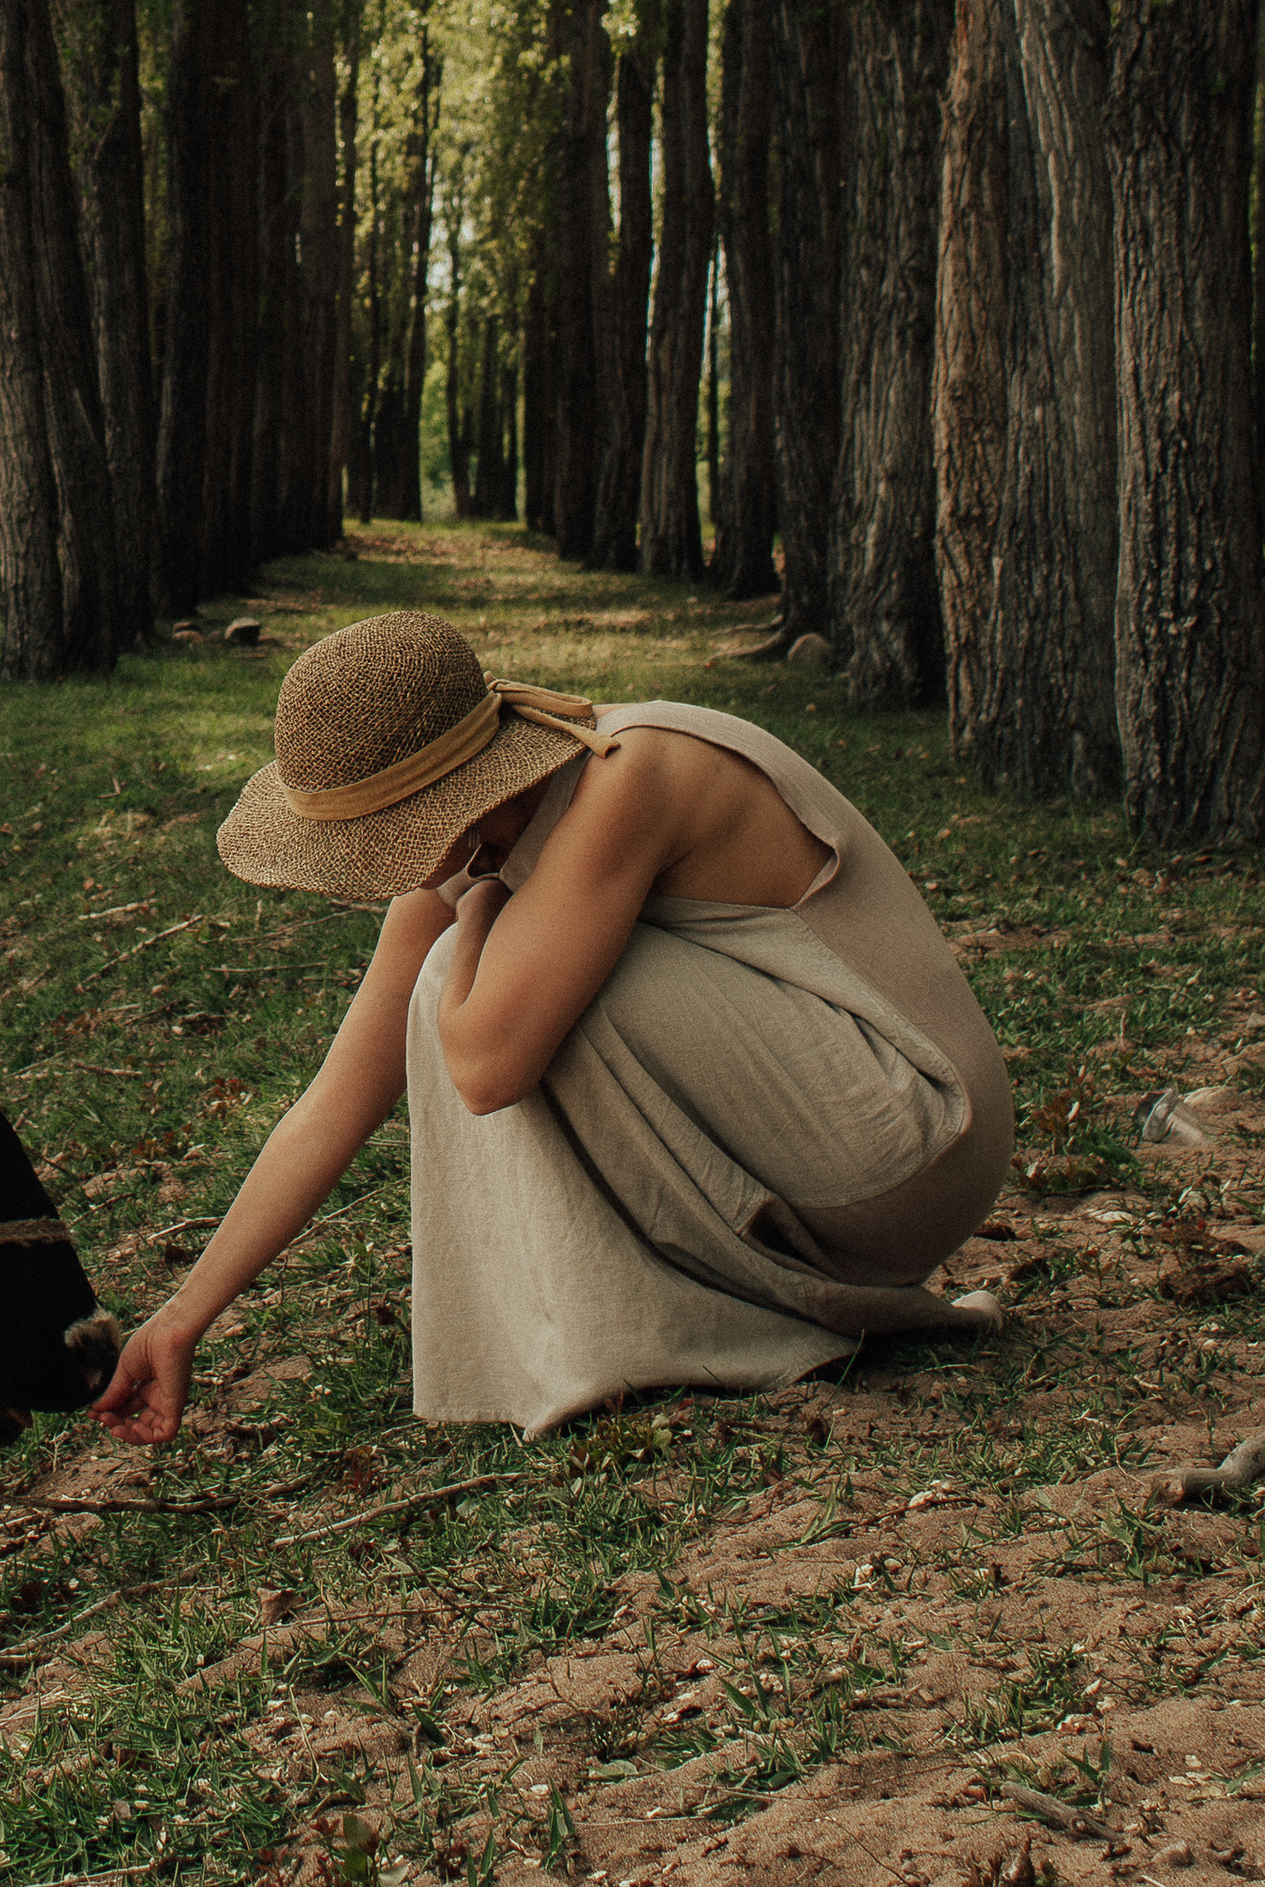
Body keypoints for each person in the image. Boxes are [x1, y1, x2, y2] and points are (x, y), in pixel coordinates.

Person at [89, 608, 1013, 1446]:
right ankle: (670, 1323)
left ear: (439, 795)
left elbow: (485, 1067)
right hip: (824, 1162)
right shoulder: (473, 839)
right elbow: (338, 1098)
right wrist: (182, 1317)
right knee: (481, 977)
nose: (371, 872)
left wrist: (480, 912)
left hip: (917, 1148)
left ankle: (656, 1336)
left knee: (474, 985)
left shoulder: (626, 775)